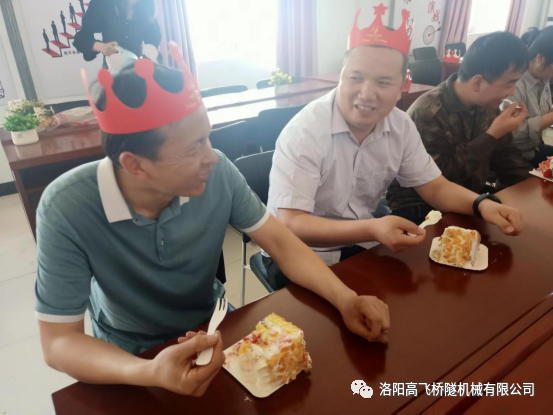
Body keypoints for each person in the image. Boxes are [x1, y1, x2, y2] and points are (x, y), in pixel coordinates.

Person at [35, 45, 390, 397]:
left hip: (213, 326)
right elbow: (59, 342)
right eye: (193, 148)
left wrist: (346, 299)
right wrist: (149, 371)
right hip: (129, 352)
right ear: (135, 165)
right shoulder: (66, 207)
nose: (212, 158)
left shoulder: (217, 172)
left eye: (207, 137)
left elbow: (281, 243)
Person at [263, 6, 524, 291]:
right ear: (341, 76)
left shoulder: (400, 126)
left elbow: (435, 187)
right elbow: (291, 224)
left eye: (383, 82)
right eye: (355, 78)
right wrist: (372, 228)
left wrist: (482, 204)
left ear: (403, 86)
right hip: (297, 254)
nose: (366, 94)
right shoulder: (306, 132)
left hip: (358, 243)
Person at [387, 32, 532, 223]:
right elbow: (437, 182)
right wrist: (492, 135)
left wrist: (531, 191)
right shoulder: (428, 112)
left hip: (471, 198)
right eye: (509, 84)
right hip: (420, 207)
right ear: (477, 82)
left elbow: (506, 158)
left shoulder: (487, 106)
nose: (512, 92)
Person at [508, 29, 553, 167]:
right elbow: (514, 135)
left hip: (534, 149)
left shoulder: (543, 77)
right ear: (540, 58)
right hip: (512, 158)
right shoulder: (514, 84)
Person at [74, 0, 161, 68]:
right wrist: (103, 47)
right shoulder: (103, 3)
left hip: (139, 68)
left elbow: (153, 42)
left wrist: (151, 57)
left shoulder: (147, 7)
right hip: (112, 68)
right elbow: (81, 38)